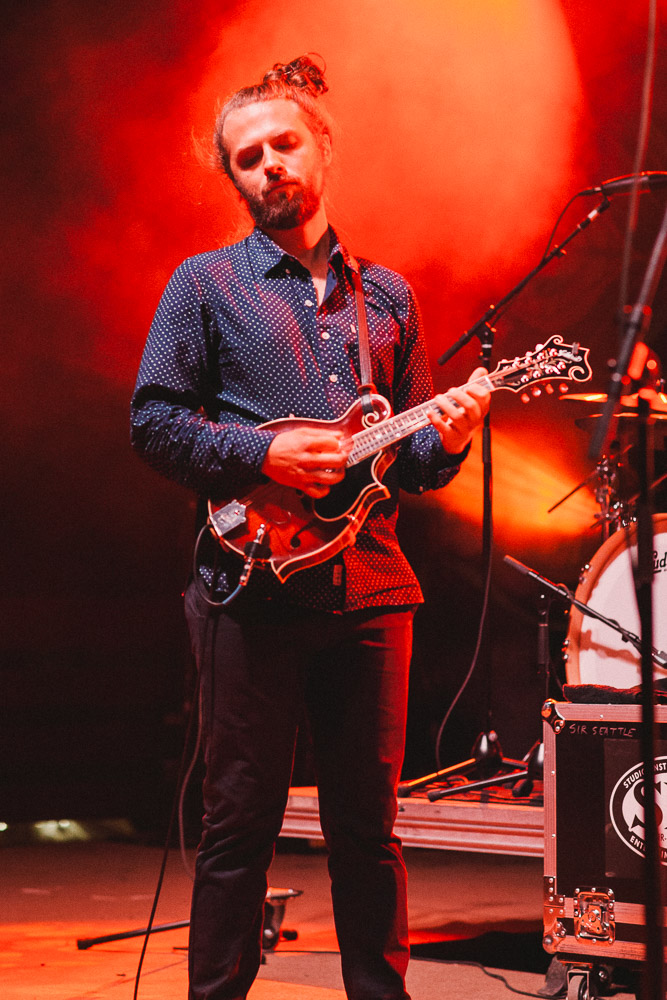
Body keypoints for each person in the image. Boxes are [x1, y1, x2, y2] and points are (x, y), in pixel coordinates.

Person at [131, 55, 490, 1000]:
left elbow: (405, 464)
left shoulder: (392, 297)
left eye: (284, 145)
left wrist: (446, 438)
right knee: (238, 821)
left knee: (367, 830)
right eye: (246, 158)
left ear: (321, 149)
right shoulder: (204, 285)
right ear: (234, 177)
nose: (268, 166)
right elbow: (153, 422)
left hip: (370, 586)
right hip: (249, 586)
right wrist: (264, 457)